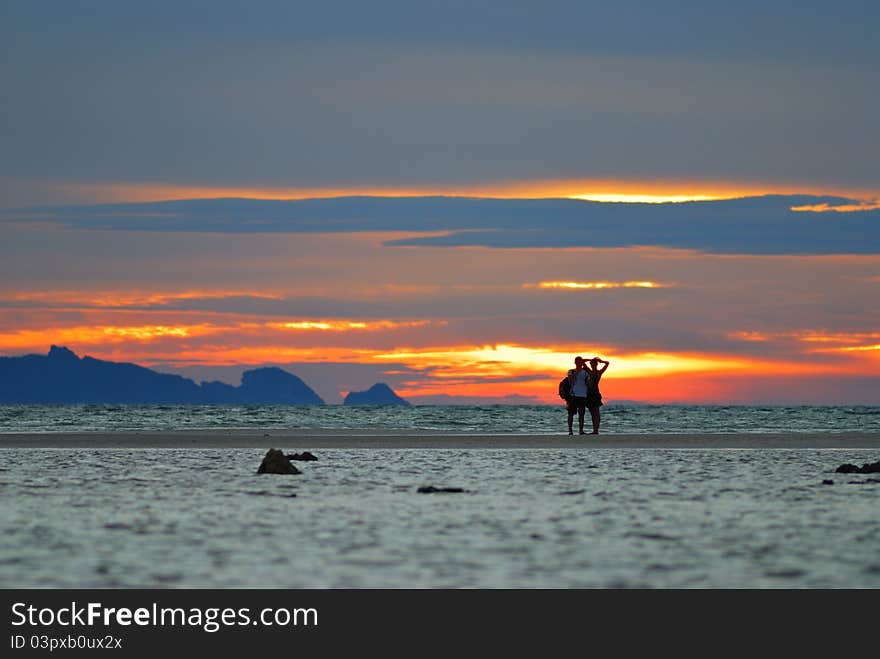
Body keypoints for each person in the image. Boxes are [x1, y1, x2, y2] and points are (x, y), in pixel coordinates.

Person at [565, 356, 590, 435]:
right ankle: (570, 431)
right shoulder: (571, 371)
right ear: (575, 362)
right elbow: (571, 381)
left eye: (580, 362)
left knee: (581, 414)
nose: (579, 363)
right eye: (577, 362)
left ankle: (581, 430)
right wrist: (577, 371)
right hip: (573, 395)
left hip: (583, 395)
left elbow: (588, 383)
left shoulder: (585, 372)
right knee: (571, 414)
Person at [585, 356, 609, 434]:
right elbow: (582, 362)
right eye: (592, 364)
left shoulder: (599, 372)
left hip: (595, 394)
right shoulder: (588, 371)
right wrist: (589, 359)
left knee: (596, 413)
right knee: (592, 413)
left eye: (594, 364)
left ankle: (596, 430)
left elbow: (607, 363)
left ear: (596, 364)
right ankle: (594, 430)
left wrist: (601, 361)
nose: (593, 365)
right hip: (589, 394)